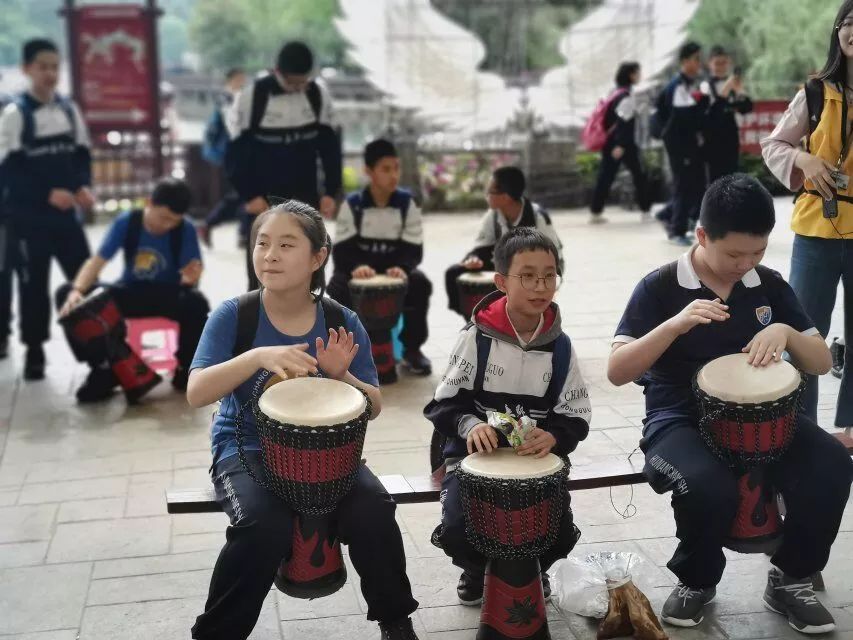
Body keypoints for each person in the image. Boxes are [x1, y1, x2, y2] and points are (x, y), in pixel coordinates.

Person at [608, 174, 852, 634]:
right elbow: (617, 370)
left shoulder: (769, 286)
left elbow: (819, 362)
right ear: (702, 236)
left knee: (832, 464)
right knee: (706, 485)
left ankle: (792, 577)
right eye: (734, 254)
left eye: (757, 252)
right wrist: (675, 325)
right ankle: (697, 581)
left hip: (767, 422)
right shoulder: (659, 287)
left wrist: (786, 333)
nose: (746, 264)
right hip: (678, 418)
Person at [187, 200, 419, 640]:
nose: (269, 255)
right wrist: (256, 356)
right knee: (262, 524)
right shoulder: (234, 316)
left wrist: (341, 375)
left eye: (286, 244)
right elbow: (197, 392)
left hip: (327, 454)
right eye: (262, 243)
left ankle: (396, 620)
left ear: (318, 256)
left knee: (374, 508)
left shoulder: (340, 321)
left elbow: (374, 403)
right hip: (246, 446)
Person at [425, 227, 590, 607]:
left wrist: (554, 437)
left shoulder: (560, 346)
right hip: (471, 459)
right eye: (527, 275)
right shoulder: (477, 338)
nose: (540, 285)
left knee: (559, 531)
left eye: (549, 275)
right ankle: (476, 569)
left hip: (533, 459)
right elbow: (442, 404)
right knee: (456, 528)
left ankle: (535, 568)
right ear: (501, 282)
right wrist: (471, 425)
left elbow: (576, 413)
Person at [761, 0, 853, 429]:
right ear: (837, 33)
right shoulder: (815, 93)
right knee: (804, 331)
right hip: (817, 230)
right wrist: (806, 161)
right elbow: (773, 145)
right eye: (849, 24)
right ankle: (800, 429)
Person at [56, 178, 209, 401]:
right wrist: (77, 290)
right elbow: (97, 262)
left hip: (165, 293)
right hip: (129, 292)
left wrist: (191, 278)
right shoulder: (128, 222)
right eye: (163, 218)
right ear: (149, 203)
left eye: (173, 221)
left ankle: (185, 369)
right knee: (65, 295)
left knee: (196, 302)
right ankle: (103, 368)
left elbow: (190, 276)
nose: (166, 225)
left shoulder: (185, 228)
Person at [0, 38, 95, 380]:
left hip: (67, 218)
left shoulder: (69, 110)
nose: (50, 74)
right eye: (43, 67)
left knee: (85, 283)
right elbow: (8, 171)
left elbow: (82, 155)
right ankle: (35, 350)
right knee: (33, 288)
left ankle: (98, 352)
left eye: (55, 66)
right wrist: (45, 195)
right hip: (29, 220)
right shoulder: (15, 114)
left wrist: (84, 186)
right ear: (27, 69)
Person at [226, 41, 342, 291]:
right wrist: (249, 194)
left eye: (303, 82)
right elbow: (235, 153)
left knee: (309, 263)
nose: (298, 87)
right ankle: (259, 324)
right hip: (264, 196)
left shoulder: (317, 94)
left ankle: (309, 323)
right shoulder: (252, 97)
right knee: (264, 267)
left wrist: (331, 191)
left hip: (305, 192)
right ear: (278, 71)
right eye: (292, 83)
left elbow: (330, 147)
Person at [328, 139, 432, 378]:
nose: (394, 175)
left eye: (396, 168)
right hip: (359, 270)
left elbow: (414, 248)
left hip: (395, 270)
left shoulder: (407, 204)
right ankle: (347, 352)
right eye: (386, 169)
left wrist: (403, 268)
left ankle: (411, 349)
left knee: (420, 283)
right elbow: (343, 250)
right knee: (337, 287)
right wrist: (356, 267)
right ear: (368, 171)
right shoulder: (353, 205)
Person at [444, 166, 563, 320]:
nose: (487, 195)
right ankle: (474, 318)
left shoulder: (537, 216)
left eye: (491, 192)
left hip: (534, 269)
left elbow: (553, 255)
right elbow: (482, 246)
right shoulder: (493, 215)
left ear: (506, 196)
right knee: (454, 272)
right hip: (505, 264)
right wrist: (473, 259)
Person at [655, 41, 708, 246]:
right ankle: (676, 229)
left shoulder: (686, 83)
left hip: (687, 143)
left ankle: (668, 215)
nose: (698, 63)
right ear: (685, 61)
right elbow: (685, 117)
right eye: (696, 59)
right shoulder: (678, 86)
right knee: (684, 185)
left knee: (695, 184)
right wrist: (702, 103)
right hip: (679, 144)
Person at [589, 61, 651, 223]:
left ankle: (595, 212)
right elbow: (624, 122)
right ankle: (645, 211)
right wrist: (621, 145)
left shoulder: (614, 93)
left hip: (612, 142)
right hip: (622, 144)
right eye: (637, 73)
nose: (639, 76)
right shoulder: (625, 96)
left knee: (606, 175)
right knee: (639, 175)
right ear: (631, 75)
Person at [197, 68, 249, 250]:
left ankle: (243, 232)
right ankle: (210, 224)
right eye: (240, 78)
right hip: (232, 154)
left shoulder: (238, 98)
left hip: (241, 153)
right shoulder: (226, 100)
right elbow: (233, 128)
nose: (243, 81)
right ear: (232, 79)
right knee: (241, 193)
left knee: (245, 192)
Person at [702, 46, 753, 183]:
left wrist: (740, 90)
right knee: (715, 179)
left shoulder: (732, 83)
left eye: (724, 63)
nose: (721, 67)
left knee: (732, 176)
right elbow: (711, 113)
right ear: (709, 64)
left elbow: (747, 107)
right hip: (712, 138)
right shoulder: (704, 85)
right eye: (717, 63)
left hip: (731, 136)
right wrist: (725, 90)